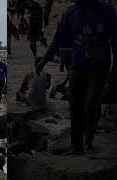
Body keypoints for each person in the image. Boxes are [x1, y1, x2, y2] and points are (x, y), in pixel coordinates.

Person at [36, 0, 117, 155]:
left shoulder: (108, 12)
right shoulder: (71, 13)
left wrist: (114, 70)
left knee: (91, 104)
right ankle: (76, 146)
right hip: (77, 65)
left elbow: (116, 42)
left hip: (99, 66)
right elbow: (59, 39)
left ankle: (89, 141)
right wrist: (44, 59)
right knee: (75, 106)